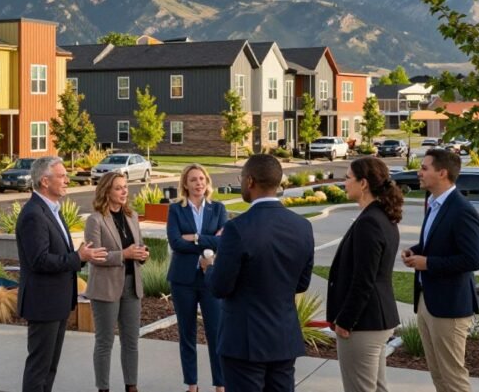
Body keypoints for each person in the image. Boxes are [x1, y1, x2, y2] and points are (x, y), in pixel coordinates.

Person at [201, 154, 314, 392]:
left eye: (242, 178)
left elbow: (221, 287)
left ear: (250, 181)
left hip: (244, 342)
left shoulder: (237, 228)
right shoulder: (303, 227)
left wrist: (209, 268)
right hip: (283, 339)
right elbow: (301, 283)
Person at [17, 156, 108, 392]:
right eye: (62, 176)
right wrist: (78, 258)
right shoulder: (33, 214)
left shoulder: (51, 210)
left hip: (55, 302)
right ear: (45, 181)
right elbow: (39, 260)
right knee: (40, 367)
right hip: (43, 303)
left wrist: (78, 256)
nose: (68, 180)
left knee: (50, 368)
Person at [400, 148, 479, 392]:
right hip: (428, 301)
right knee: (438, 375)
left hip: (450, 307)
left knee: (453, 378)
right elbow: (436, 243)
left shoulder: (462, 210)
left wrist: (428, 263)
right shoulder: (433, 203)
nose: (419, 172)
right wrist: (416, 251)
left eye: (424, 168)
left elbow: (472, 259)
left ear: (442, 173)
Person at [326, 157, 403, 392]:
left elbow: (363, 280)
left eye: (348, 177)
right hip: (376, 319)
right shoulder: (381, 216)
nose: (344, 183)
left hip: (363, 324)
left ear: (363, 184)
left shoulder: (370, 222)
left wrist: (345, 321)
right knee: (377, 388)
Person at [85, 171, 149, 392]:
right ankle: (103, 388)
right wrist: (125, 254)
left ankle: (131, 387)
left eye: (125, 187)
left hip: (132, 286)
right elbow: (96, 256)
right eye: (119, 188)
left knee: (131, 341)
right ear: (106, 191)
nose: (124, 191)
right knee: (105, 342)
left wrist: (142, 254)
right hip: (106, 288)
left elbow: (138, 246)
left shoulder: (131, 216)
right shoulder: (95, 220)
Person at [167, 163, 228, 392]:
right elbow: (175, 242)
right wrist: (208, 239)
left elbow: (224, 241)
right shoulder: (175, 209)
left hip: (211, 279)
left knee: (216, 332)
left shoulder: (218, 209)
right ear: (185, 183)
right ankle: (192, 385)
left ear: (207, 182)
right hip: (183, 280)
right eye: (193, 179)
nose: (198, 183)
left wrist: (194, 237)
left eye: (202, 179)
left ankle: (220, 385)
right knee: (187, 334)